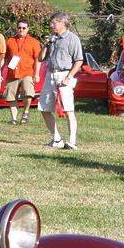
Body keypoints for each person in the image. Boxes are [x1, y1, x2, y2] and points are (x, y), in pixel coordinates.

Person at [38, 11, 83, 150]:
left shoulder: (72, 39)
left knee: (69, 110)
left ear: (62, 23)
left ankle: (72, 142)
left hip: (64, 76)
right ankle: (56, 138)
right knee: (44, 108)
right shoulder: (53, 39)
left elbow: (79, 60)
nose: (51, 25)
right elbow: (40, 58)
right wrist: (45, 45)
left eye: (53, 23)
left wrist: (68, 77)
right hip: (50, 75)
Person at [3, 18, 41, 125]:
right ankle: (14, 118)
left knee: (28, 93)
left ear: (28, 28)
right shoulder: (10, 41)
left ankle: (26, 112)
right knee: (11, 96)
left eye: (24, 28)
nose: (21, 30)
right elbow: (3, 57)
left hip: (27, 72)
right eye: (19, 28)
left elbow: (38, 59)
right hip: (12, 73)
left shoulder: (34, 42)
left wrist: (36, 73)